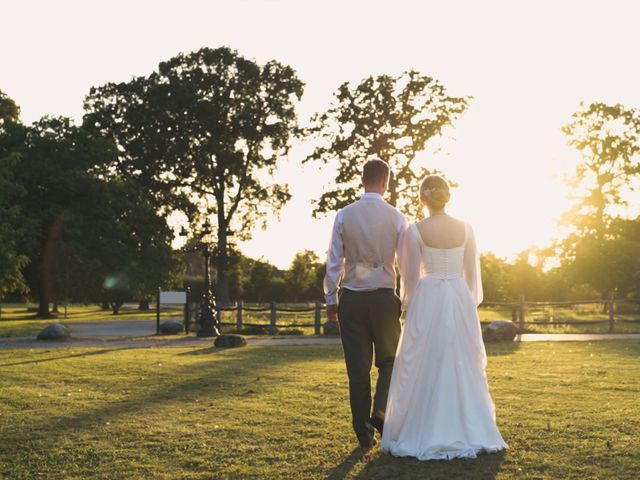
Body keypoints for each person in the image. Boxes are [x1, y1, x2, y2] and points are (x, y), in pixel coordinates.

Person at [380, 174, 508, 460]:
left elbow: (410, 278)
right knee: (461, 358)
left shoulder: (415, 230)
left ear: (422, 199)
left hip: (428, 296)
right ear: (447, 197)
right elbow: (473, 276)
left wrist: (410, 306)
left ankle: (425, 425)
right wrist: (465, 302)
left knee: (426, 357)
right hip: (459, 296)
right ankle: (468, 426)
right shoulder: (466, 228)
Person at [324, 159, 407, 449]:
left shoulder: (344, 215)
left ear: (362, 180)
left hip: (353, 298)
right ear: (386, 182)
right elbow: (406, 264)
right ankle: (380, 412)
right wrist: (406, 298)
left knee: (357, 370)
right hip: (384, 298)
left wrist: (330, 299)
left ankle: (363, 434)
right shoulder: (397, 217)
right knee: (390, 361)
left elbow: (334, 260)